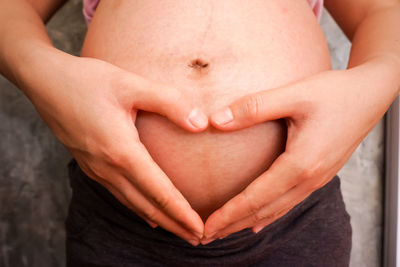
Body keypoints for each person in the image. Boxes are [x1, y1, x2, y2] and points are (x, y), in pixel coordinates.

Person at [0, 0, 399, 266]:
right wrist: (41, 74)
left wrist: (376, 84)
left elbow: (382, 10)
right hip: (119, 219)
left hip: (292, 220)